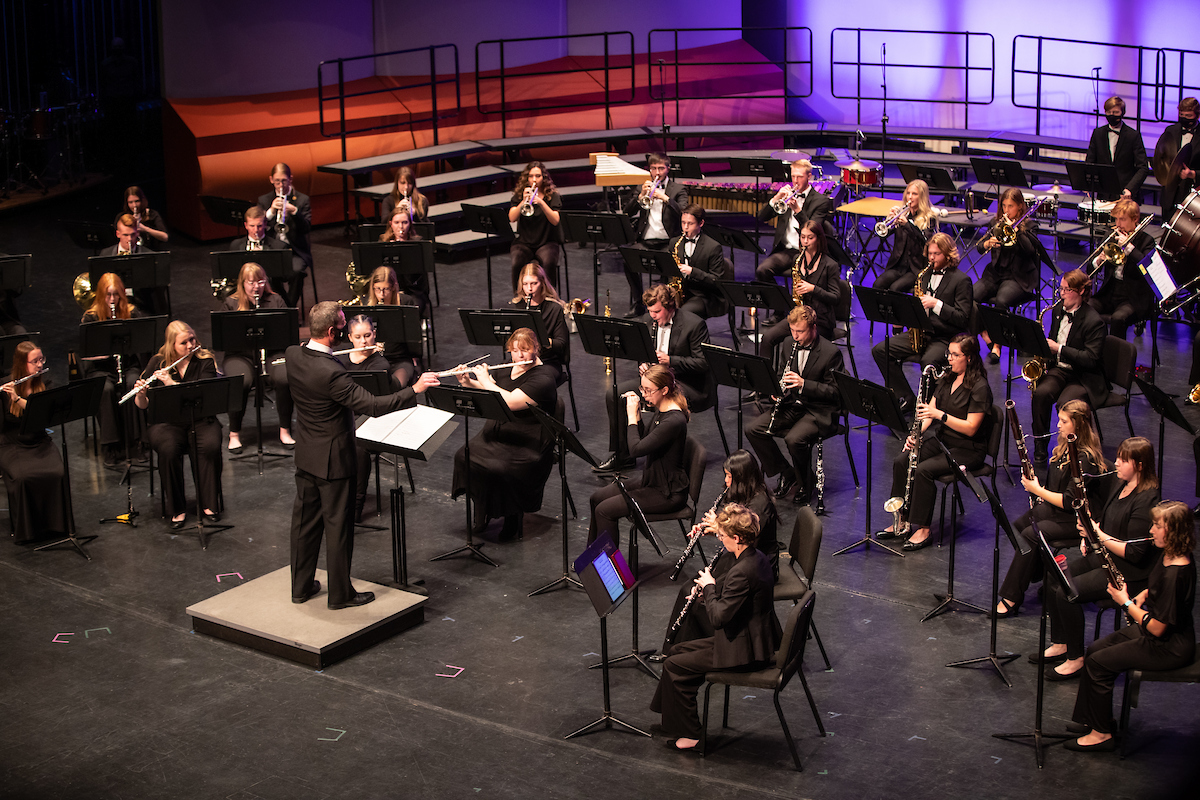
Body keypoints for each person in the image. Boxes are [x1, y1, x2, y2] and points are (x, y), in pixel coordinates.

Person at [285, 302, 440, 610]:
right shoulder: (331, 372)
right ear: (332, 332)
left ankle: (300, 588)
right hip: (334, 460)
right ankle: (340, 594)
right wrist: (416, 388)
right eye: (342, 326)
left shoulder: (292, 355)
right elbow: (373, 406)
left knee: (304, 525)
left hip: (306, 454)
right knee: (338, 528)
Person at [649, 502, 782, 752]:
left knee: (674, 664)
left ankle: (692, 735)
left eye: (722, 536)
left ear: (737, 538)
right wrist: (704, 595)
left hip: (744, 651)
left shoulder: (742, 570)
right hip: (751, 637)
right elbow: (738, 598)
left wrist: (709, 587)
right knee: (678, 652)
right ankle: (673, 720)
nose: (720, 540)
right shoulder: (757, 557)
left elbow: (718, 618)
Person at [1067, 501, 1195, 752]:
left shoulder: (1177, 573)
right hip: (1157, 636)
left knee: (1098, 663)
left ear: (1173, 531)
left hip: (1168, 647)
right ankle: (1093, 719)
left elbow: (1158, 628)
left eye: (1157, 526)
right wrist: (1145, 594)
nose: (1151, 530)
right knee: (1095, 650)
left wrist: (1125, 602)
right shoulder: (1169, 553)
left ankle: (1101, 734)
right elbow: (1159, 588)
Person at [1041, 437, 1161, 681]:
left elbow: (1134, 552)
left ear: (1139, 465)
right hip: (1105, 557)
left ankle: (1076, 658)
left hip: (1128, 572)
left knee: (1067, 593)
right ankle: (1062, 642)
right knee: (1054, 578)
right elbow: (1104, 518)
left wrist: (1098, 535)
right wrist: (1088, 536)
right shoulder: (1120, 483)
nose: (1115, 463)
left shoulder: (1148, 500)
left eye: (1122, 460)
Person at [878, 333, 993, 550]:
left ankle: (923, 528)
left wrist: (940, 414)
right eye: (949, 353)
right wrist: (915, 436)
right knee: (902, 460)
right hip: (943, 441)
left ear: (969, 357)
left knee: (923, 470)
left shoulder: (980, 387)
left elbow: (970, 428)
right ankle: (900, 519)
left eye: (955, 355)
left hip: (969, 449)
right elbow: (928, 413)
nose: (949, 358)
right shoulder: (947, 377)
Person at [995, 400, 1108, 617]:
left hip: (1079, 519)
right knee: (1020, 525)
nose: (1058, 425)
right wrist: (1039, 486)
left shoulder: (1084, 458)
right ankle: (1040, 574)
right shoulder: (1064, 447)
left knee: (1031, 534)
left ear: (1079, 425)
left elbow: (1068, 501)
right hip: (1062, 512)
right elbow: (1055, 488)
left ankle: (1011, 596)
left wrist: (1037, 490)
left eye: (1064, 421)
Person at [450, 327, 559, 540]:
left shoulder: (544, 378)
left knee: (501, 468)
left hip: (526, 440)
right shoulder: (504, 369)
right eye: (515, 350)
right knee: (464, 455)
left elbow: (509, 401)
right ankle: (482, 508)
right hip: (498, 432)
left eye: (525, 350)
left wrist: (487, 381)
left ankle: (512, 517)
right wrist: (467, 381)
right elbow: (490, 396)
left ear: (536, 349)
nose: (519, 355)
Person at [594, 284, 712, 473]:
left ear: (670, 306)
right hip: (657, 381)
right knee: (614, 394)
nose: (653, 316)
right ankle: (623, 455)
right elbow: (643, 351)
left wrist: (670, 360)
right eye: (649, 311)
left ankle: (652, 452)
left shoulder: (694, 324)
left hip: (688, 383)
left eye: (657, 311)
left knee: (660, 401)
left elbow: (703, 363)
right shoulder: (648, 322)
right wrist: (643, 365)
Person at [744, 305, 844, 507]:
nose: (796, 336)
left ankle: (806, 483)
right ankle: (788, 473)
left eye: (801, 331)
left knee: (794, 439)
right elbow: (782, 372)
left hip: (819, 410)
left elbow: (836, 392)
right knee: (753, 429)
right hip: (792, 405)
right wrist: (777, 389)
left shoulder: (830, 352)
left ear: (814, 328)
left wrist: (804, 384)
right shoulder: (788, 343)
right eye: (792, 330)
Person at [131, 321, 222, 529]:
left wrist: (171, 384)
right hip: (167, 423)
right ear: (172, 345)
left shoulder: (205, 360)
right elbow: (142, 406)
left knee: (210, 445)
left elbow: (205, 396)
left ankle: (209, 503)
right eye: (184, 343)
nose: (191, 345)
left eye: (192, 339)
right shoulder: (158, 362)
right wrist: (141, 394)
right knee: (168, 448)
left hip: (201, 420)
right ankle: (177, 507)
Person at [588, 364, 689, 545]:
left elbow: (635, 450)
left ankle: (611, 568)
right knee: (596, 498)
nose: (644, 394)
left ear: (664, 390)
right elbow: (646, 440)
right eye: (642, 388)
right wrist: (638, 418)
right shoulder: (662, 408)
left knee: (604, 510)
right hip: (651, 481)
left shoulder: (674, 420)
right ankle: (592, 557)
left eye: (648, 390)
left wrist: (632, 417)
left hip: (667, 493)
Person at [871, 232, 972, 412]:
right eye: (930, 253)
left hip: (944, 336)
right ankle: (907, 396)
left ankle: (928, 408)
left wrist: (936, 304)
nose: (931, 258)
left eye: (936, 254)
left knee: (929, 361)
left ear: (948, 255)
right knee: (880, 350)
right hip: (921, 333)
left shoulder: (961, 280)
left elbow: (962, 318)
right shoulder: (923, 276)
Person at [1030, 269, 1109, 464]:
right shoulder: (1058, 310)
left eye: (1067, 290)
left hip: (1083, 376)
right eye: (1061, 289)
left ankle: (1069, 450)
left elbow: (1091, 359)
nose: (1062, 294)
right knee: (1040, 394)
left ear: (1081, 291)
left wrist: (1059, 349)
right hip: (1060, 370)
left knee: (1064, 406)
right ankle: (1040, 446)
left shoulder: (1095, 322)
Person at [220, 262, 294, 453]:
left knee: (284, 378)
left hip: (272, 353)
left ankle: (285, 430)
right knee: (240, 381)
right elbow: (226, 340)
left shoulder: (276, 301)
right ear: (242, 283)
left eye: (260, 282)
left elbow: (287, 335)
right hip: (241, 355)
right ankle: (234, 433)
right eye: (251, 283)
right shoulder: (231, 303)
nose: (256, 287)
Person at [0, 342, 67, 545]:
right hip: (11, 444)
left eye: (41, 359)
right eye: (35, 361)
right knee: (22, 477)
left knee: (57, 473)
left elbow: (43, 415)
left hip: (39, 441)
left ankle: (55, 526)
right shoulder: (5, 384)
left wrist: (17, 399)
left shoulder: (46, 383)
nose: (40, 365)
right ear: (22, 364)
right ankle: (27, 531)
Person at [336, 313, 401, 523]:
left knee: (358, 445)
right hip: (347, 415)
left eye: (367, 335)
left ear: (374, 335)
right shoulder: (340, 360)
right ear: (349, 337)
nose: (363, 341)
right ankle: (332, 499)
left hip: (372, 417)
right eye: (358, 337)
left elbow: (368, 402)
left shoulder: (379, 365)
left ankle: (356, 504)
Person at [80, 272, 145, 466]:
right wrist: (107, 353)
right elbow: (85, 354)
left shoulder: (131, 312)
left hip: (127, 364)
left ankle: (138, 442)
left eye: (115, 295)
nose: (111, 300)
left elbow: (141, 344)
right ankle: (111, 446)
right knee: (106, 389)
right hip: (100, 367)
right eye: (108, 295)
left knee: (134, 384)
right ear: (101, 295)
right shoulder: (90, 318)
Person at [757, 219, 839, 364]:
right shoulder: (797, 259)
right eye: (802, 237)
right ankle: (767, 383)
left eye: (810, 237)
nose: (805, 241)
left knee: (795, 342)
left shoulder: (830, 265)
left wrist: (813, 289)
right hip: (799, 316)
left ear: (819, 239)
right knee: (767, 338)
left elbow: (835, 297)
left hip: (820, 320)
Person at [975, 188, 1040, 362]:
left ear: (1020, 206)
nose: (1006, 210)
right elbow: (979, 247)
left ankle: (997, 346)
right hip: (996, 274)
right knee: (970, 295)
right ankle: (985, 335)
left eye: (1010, 206)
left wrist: (1017, 231)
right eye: (1003, 205)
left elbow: (1031, 251)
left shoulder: (1030, 226)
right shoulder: (995, 223)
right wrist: (988, 243)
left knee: (1001, 301)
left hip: (1019, 277)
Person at [621, 152, 689, 317]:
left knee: (667, 266)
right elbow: (627, 212)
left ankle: (665, 306)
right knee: (628, 260)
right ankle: (638, 303)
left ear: (668, 169)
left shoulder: (678, 189)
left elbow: (684, 213)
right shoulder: (642, 187)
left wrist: (665, 198)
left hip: (668, 242)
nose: (657, 172)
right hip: (646, 240)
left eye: (660, 168)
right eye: (653, 168)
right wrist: (640, 196)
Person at [754, 159, 833, 291]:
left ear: (809, 176)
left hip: (807, 252)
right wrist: (776, 199)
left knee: (805, 281)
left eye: (800, 177)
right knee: (762, 271)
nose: (795, 181)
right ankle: (780, 307)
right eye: (793, 176)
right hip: (786, 251)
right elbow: (762, 217)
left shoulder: (821, 201)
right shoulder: (786, 197)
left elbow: (813, 230)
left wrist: (797, 210)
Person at [1087, 198, 1156, 339]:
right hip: (1110, 292)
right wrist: (1098, 260)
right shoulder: (1111, 236)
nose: (1118, 224)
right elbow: (1089, 270)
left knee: (1118, 319)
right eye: (1116, 219)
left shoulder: (1147, 241)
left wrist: (1129, 248)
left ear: (1135, 219)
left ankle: (1115, 358)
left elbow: (1146, 270)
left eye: (1122, 219)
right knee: (1085, 308)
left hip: (1133, 297)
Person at [258, 163, 312, 307]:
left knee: (297, 272)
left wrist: (295, 212)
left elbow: (306, 228)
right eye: (277, 181)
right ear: (271, 179)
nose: (280, 185)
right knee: (268, 274)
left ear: (290, 179)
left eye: (284, 181)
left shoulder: (302, 200)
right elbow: (259, 228)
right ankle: (286, 306)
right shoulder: (264, 200)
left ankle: (290, 308)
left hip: (295, 252)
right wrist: (270, 212)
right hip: (272, 251)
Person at [872, 179, 937, 293]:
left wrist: (907, 225)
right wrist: (889, 221)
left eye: (914, 194)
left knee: (895, 289)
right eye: (908, 193)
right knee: (877, 284)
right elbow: (883, 237)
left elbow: (925, 241)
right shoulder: (902, 213)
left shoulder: (929, 218)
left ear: (922, 197)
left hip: (915, 268)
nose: (910, 197)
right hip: (898, 266)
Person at [362, 265, 421, 388]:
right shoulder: (367, 304)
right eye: (377, 289)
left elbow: (413, 338)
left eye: (386, 289)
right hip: (375, 359)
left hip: (400, 360)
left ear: (394, 287)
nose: (381, 294)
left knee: (396, 385)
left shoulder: (406, 302)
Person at [508, 161, 562, 291]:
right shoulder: (520, 194)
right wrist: (523, 201)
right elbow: (512, 218)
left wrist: (541, 202)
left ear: (544, 178)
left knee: (549, 263)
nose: (534, 180)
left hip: (547, 242)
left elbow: (555, 220)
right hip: (524, 242)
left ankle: (550, 297)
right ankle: (519, 297)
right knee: (517, 263)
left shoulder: (552, 196)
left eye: (538, 176)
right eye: (531, 176)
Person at [670, 204, 730, 320]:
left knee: (683, 313)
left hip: (704, 295)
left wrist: (692, 271)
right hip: (683, 292)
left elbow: (716, 280)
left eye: (690, 223)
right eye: (683, 223)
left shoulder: (713, 247)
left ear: (701, 223)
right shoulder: (674, 242)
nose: (685, 227)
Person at [509, 263, 569, 380]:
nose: (529, 289)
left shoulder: (554, 309)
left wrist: (541, 339)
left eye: (534, 283)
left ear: (542, 283)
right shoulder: (517, 307)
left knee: (533, 381)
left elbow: (561, 344)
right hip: (521, 360)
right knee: (500, 379)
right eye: (525, 284)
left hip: (547, 361)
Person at [1084, 96, 1149, 202]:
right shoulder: (1098, 133)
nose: (1112, 115)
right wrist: (1086, 183)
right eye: (1108, 112)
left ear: (1123, 113)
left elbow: (1143, 167)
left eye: (1115, 112)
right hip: (1103, 192)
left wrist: (1130, 189)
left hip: (1125, 193)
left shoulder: (1133, 135)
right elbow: (1090, 161)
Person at [102, 213, 167, 315]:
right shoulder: (105, 254)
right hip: (114, 303)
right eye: (125, 235)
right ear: (118, 234)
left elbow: (158, 292)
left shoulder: (149, 256)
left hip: (141, 305)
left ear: (137, 234)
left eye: (133, 235)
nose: (129, 239)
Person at [1153, 97, 1200, 219]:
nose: (1184, 118)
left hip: (1194, 196)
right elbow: (1161, 157)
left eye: (1188, 115)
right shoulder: (1171, 131)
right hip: (1170, 193)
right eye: (1181, 114)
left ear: (1197, 115)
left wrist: (1193, 174)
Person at [378, 208, 431, 308]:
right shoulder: (383, 242)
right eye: (396, 222)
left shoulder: (417, 243)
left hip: (413, 291)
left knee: (411, 308)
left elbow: (418, 278)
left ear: (410, 224)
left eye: (404, 222)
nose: (400, 226)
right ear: (391, 224)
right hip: (388, 289)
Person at [115, 186, 169, 251]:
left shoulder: (152, 214)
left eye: (137, 201)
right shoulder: (121, 217)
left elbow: (165, 237)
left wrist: (145, 228)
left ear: (142, 200)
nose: (134, 205)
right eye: (130, 202)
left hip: (151, 250)